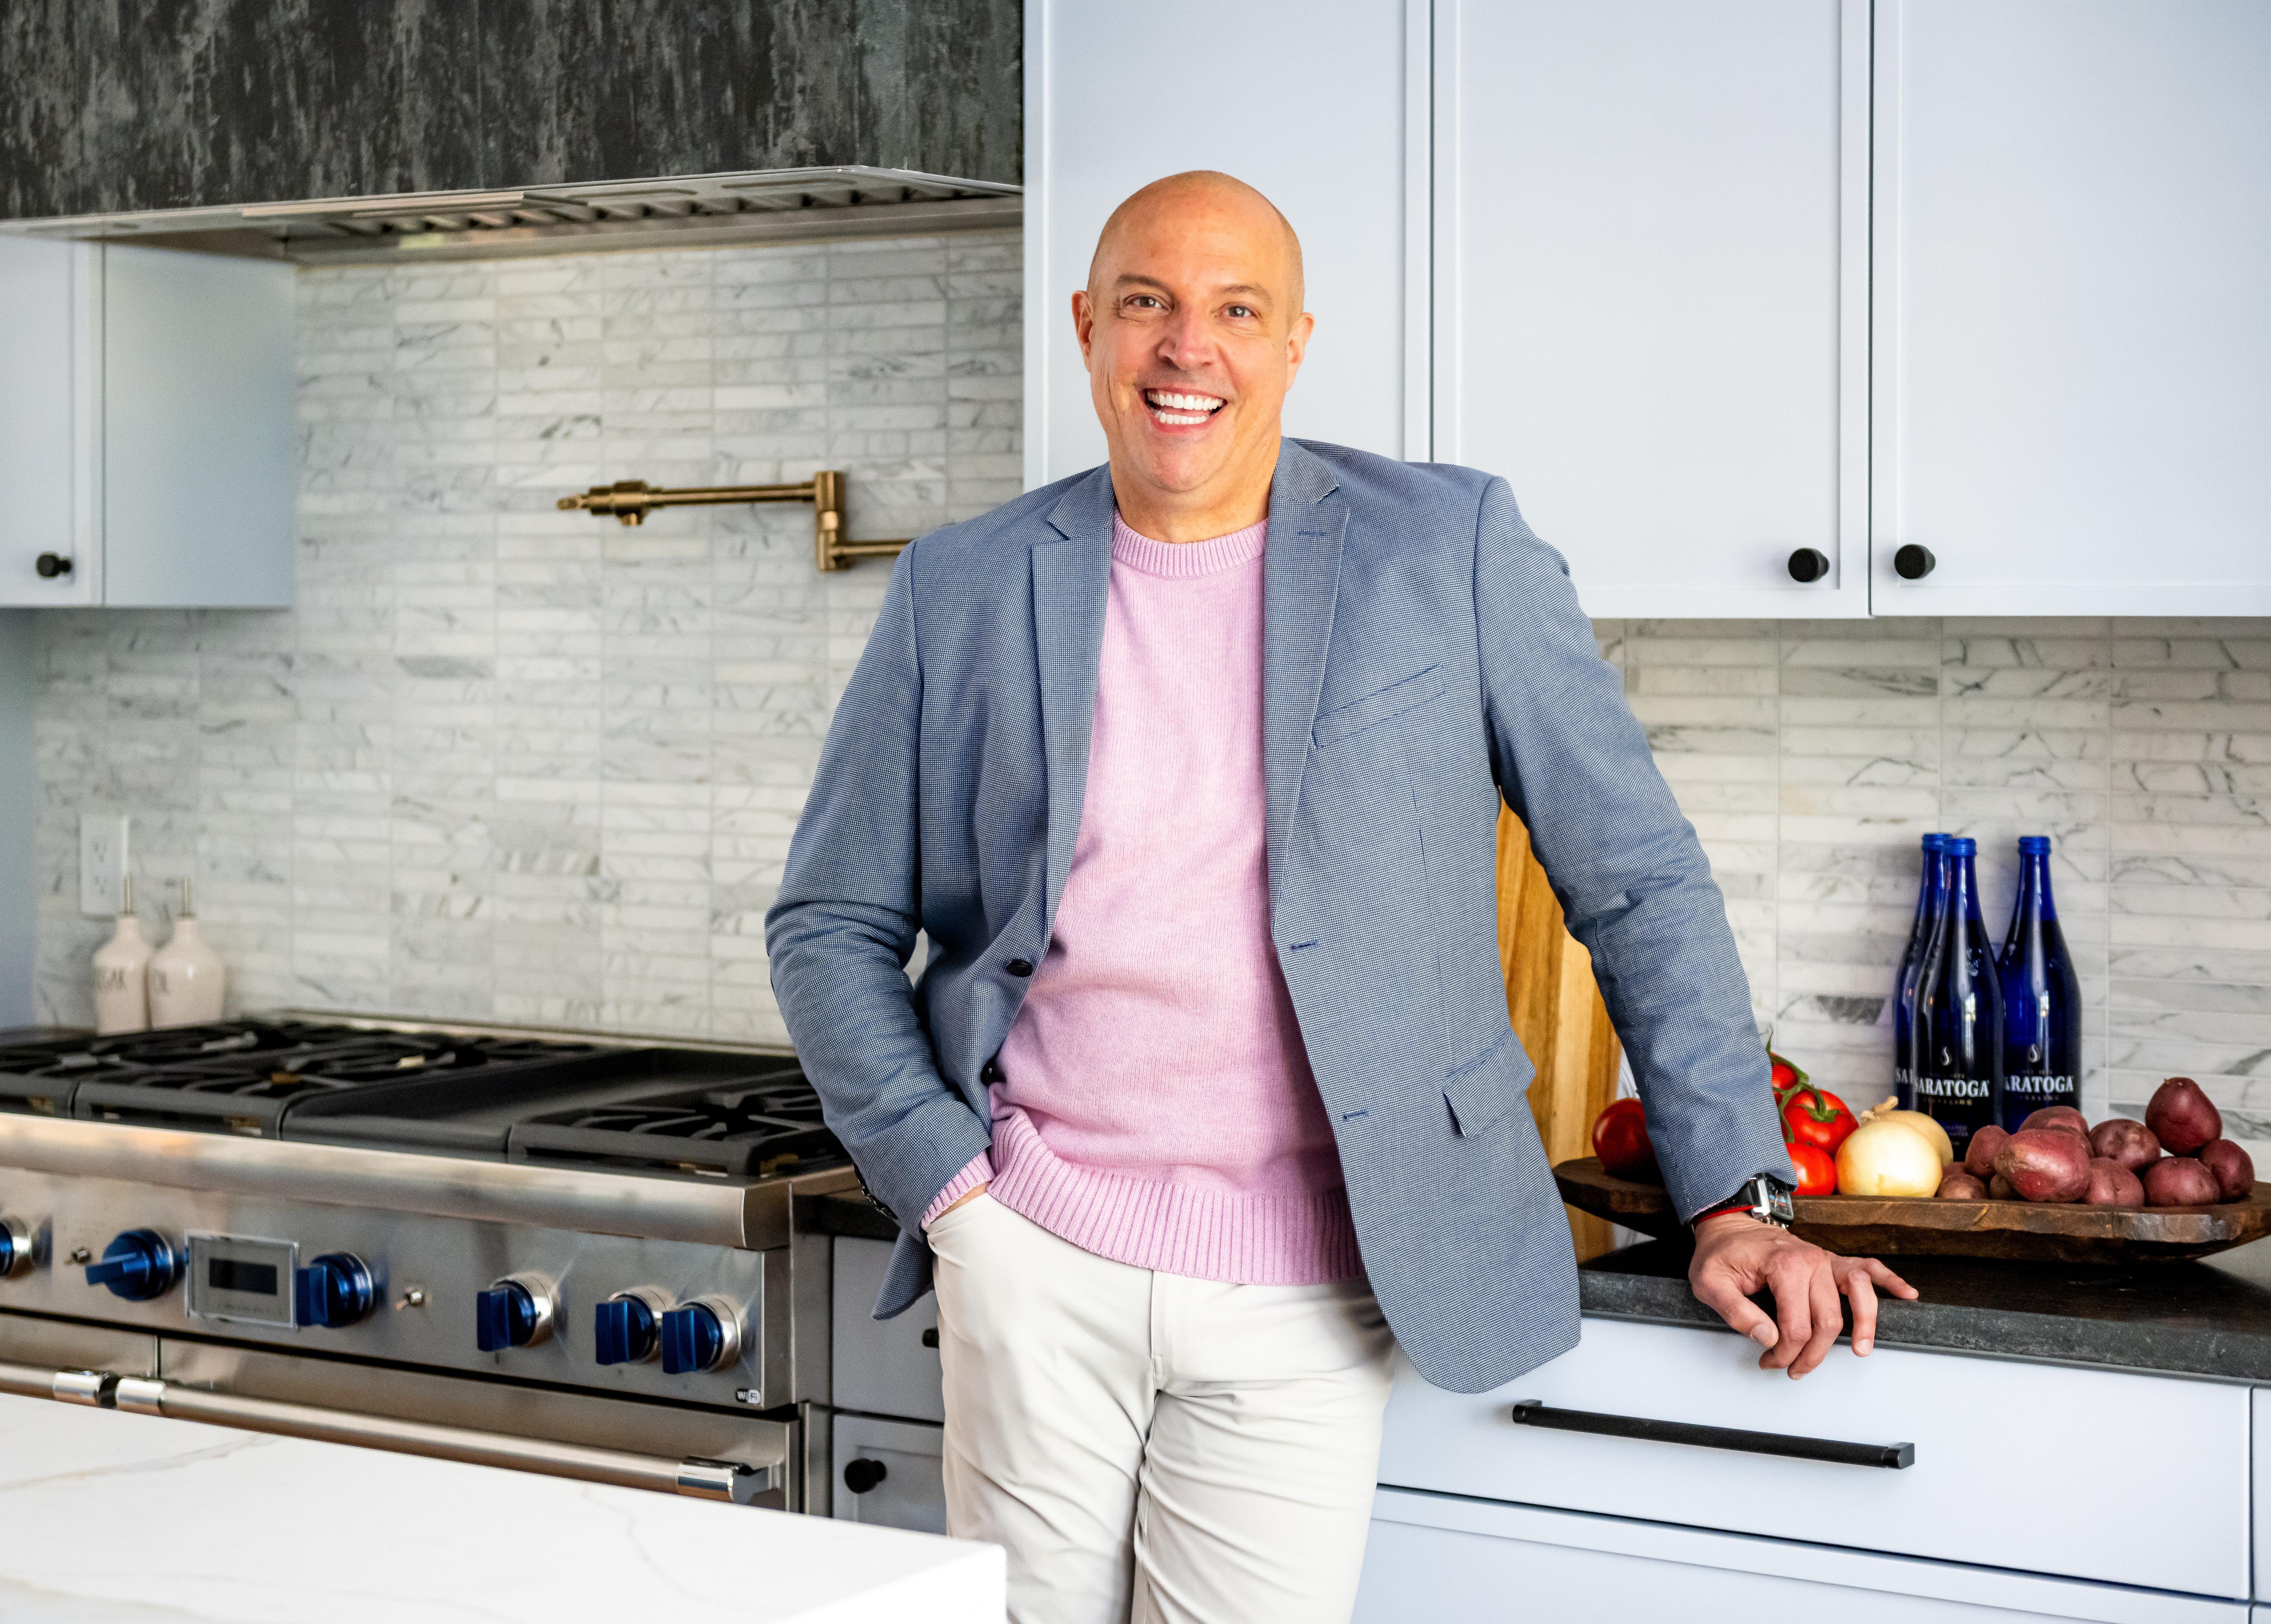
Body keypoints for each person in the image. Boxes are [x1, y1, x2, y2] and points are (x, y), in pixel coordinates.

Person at [766, 171, 1914, 1624]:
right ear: (1086, 328)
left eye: (1234, 310)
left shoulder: (1449, 546)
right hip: (1032, 1250)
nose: (1188, 348)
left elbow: (1637, 882)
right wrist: (953, 1187)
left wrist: (1735, 1198)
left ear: (1295, 341)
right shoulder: (963, 585)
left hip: (1313, 1279)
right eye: (1146, 304)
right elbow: (829, 921)